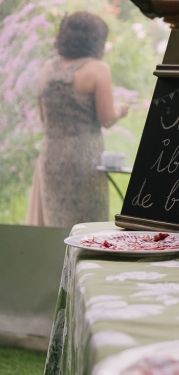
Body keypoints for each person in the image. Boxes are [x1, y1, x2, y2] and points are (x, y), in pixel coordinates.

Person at [35, 12, 127, 228]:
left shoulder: (48, 68)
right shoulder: (98, 69)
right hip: (86, 159)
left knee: (56, 223)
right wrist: (122, 110)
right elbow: (106, 119)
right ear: (95, 40)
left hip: (51, 156)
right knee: (88, 225)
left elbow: (44, 119)